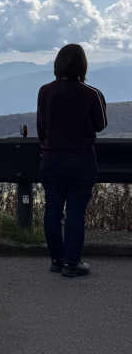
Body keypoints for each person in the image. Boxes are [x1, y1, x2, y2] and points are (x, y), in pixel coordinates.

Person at [36, 44, 107, 277]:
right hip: (81, 159)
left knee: (52, 208)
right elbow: (101, 124)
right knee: (76, 211)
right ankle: (71, 263)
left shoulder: (45, 91)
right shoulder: (91, 93)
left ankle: (56, 259)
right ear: (83, 65)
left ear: (57, 64)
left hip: (51, 158)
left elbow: (41, 127)